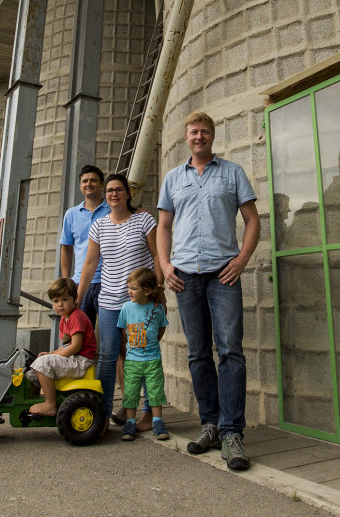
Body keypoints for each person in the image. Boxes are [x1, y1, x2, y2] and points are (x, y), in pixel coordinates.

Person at [157, 111, 260, 471]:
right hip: (185, 275)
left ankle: (232, 433)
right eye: (193, 132)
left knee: (230, 350)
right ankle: (211, 424)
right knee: (198, 353)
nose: (198, 137)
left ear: (212, 136)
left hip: (223, 274)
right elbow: (164, 227)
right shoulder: (172, 178)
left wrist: (242, 260)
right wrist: (166, 265)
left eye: (204, 131)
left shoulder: (232, 173)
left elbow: (252, 221)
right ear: (186, 137)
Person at [78, 172, 159, 431]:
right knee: (108, 356)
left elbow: (158, 255)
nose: (114, 194)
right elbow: (90, 263)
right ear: (106, 195)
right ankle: (102, 415)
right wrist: (79, 296)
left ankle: (148, 414)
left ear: (128, 193)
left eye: (119, 189)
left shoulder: (144, 219)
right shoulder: (99, 226)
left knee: (140, 356)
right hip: (110, 301)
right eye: (110, 190)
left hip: (139, 304)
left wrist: (158, 291)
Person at [28, 277, 97, 417]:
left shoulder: (76, 317)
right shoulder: (64, 318)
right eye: (56, 301)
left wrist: (52, 357)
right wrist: (50, 353)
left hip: (81, 361)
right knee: (34, 367)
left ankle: (50, 404)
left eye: (65, 300)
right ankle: (31, 400)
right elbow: (67, 346)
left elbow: (76, 346)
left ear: (74, 298)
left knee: (43, 363)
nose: (60, 304)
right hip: (73, 357)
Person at [116, 267, 171, 441]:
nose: (129, 291)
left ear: (147, 291)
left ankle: (157, 421)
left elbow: (161, 329)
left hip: (152, 358)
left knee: (155, 391)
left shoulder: (157, 309)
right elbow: (124, 332)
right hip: (133, 360)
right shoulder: (126, 309)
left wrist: (152, 343)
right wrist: (129, 350)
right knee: (131, 392)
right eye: (129, 287)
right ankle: (130, 422)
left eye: (134, 288)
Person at [59, 165, 109, 326]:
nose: (89, 184)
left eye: (93, 180)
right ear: (80, 186)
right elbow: (66, 247)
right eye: (85, 181)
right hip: (80, 283)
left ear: (102, 184)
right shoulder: (71, 214)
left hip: (108, 281)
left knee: (112, 332)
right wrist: (66, 279)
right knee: (79, 334)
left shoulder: (113, 209)